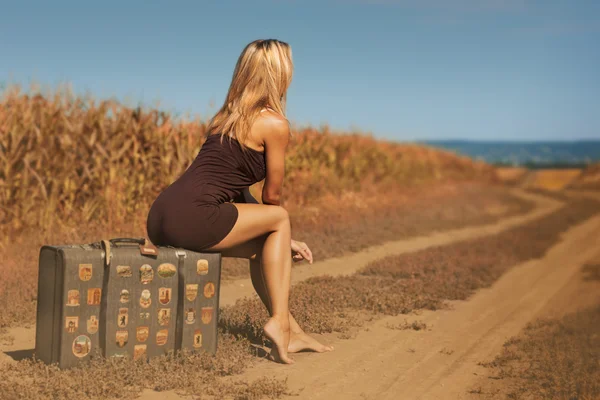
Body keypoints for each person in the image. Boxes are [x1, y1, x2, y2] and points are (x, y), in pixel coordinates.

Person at [146, 39, 333, 364]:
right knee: (280, 218)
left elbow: (235, 191)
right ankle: (278, 324)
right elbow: (272, 198)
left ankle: (294, 332)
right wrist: (283, 230)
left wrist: (280, 240)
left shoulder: (227, 118)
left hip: (162, 215)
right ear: (280, 73)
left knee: (265, 247)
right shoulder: (275, 124)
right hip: (193, 216)